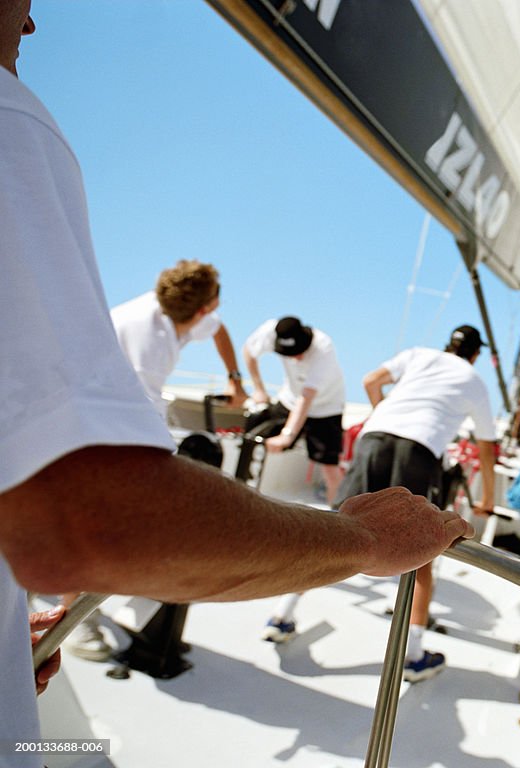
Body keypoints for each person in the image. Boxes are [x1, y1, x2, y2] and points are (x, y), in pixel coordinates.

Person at [0, 7, 473, 762]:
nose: (32, 22)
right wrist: (360, 539)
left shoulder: (255, 338)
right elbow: (89, 519)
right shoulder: (11, 121)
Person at [263, 325, 497, 684]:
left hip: (375, 437)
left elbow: (371, 381)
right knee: (423, 548)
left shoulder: (419, 355)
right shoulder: (474, 380)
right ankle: (413, 654)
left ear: (447, 344)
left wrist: (384, 415)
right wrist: (487, 500)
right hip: (419, 450)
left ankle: (282, 614)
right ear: (475, 354)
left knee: (339, 528)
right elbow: (485, 446)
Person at [63, 260, 250, 661]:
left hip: (103, 414)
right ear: (203, 307)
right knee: (95, 529)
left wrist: (235, 377)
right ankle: (66, 620)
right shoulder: (149, 338)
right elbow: (140, 408)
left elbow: (219, 332)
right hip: (87, 423)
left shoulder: (179, 314)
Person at [111, 260, 248, 417]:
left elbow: (218, 330)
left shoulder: (172, 304)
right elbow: (147, 412)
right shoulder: (151, 344)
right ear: (204, 310)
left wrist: (234, 380)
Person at [243, 316, 347, 505]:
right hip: (290, 399)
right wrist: (259, 389)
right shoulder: (269, 331)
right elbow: (249, 352)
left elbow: (307, 397)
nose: (296, 358)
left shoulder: (323, 348)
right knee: (253, 437)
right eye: (290, 354)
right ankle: (244, 497)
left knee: (330, 468)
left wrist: (288, 435)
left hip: (326, 408)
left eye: (299, 353)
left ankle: (340, 515)